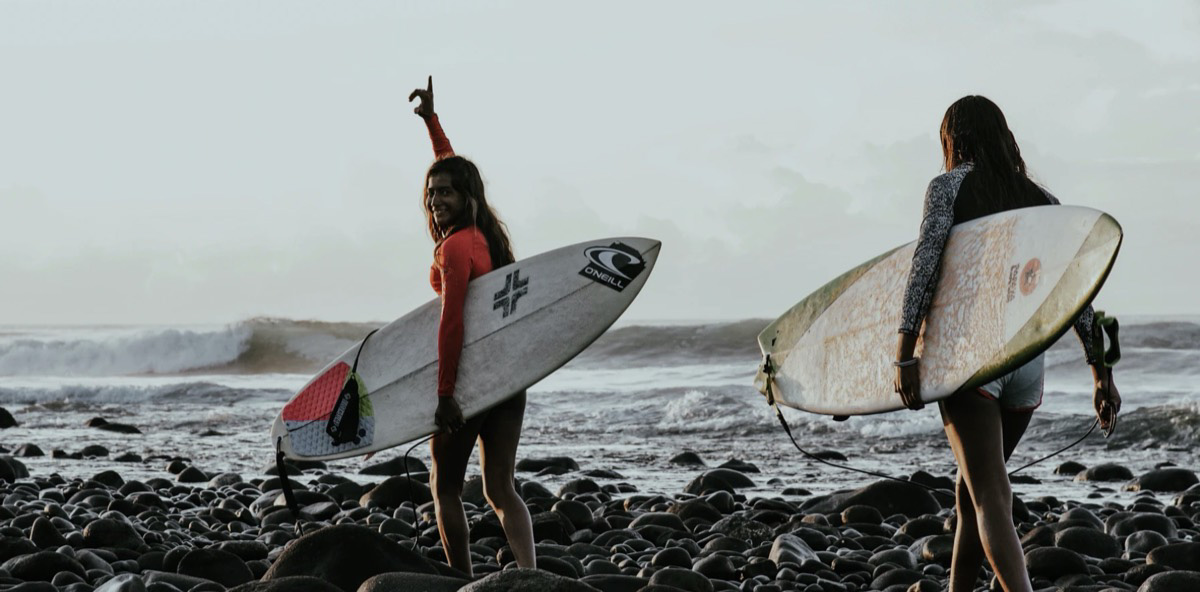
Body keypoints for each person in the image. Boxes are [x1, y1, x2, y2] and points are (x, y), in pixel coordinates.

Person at [892, 95, 1120, 592]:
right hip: (1026, 364)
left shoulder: (948, 187)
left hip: (974, 359)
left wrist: (906, 350)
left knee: (990, 495)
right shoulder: (1042, 201)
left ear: (953, 140)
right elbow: (1073, 293)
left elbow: (925, 265)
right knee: (970, 487)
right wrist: (1100, 371)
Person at [409, 76, 535, 575]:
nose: (437, 198)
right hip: (509, 377)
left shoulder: (454, 247)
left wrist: (445, 395)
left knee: (444, 486)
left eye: (445, 193)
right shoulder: (484, 237)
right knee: (500, 485)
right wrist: (432, 123)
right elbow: (455, 170)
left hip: (471, 380)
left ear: (466, 197)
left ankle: (461, 580)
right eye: (431, 192)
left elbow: (452, 320)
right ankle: (529, 574)